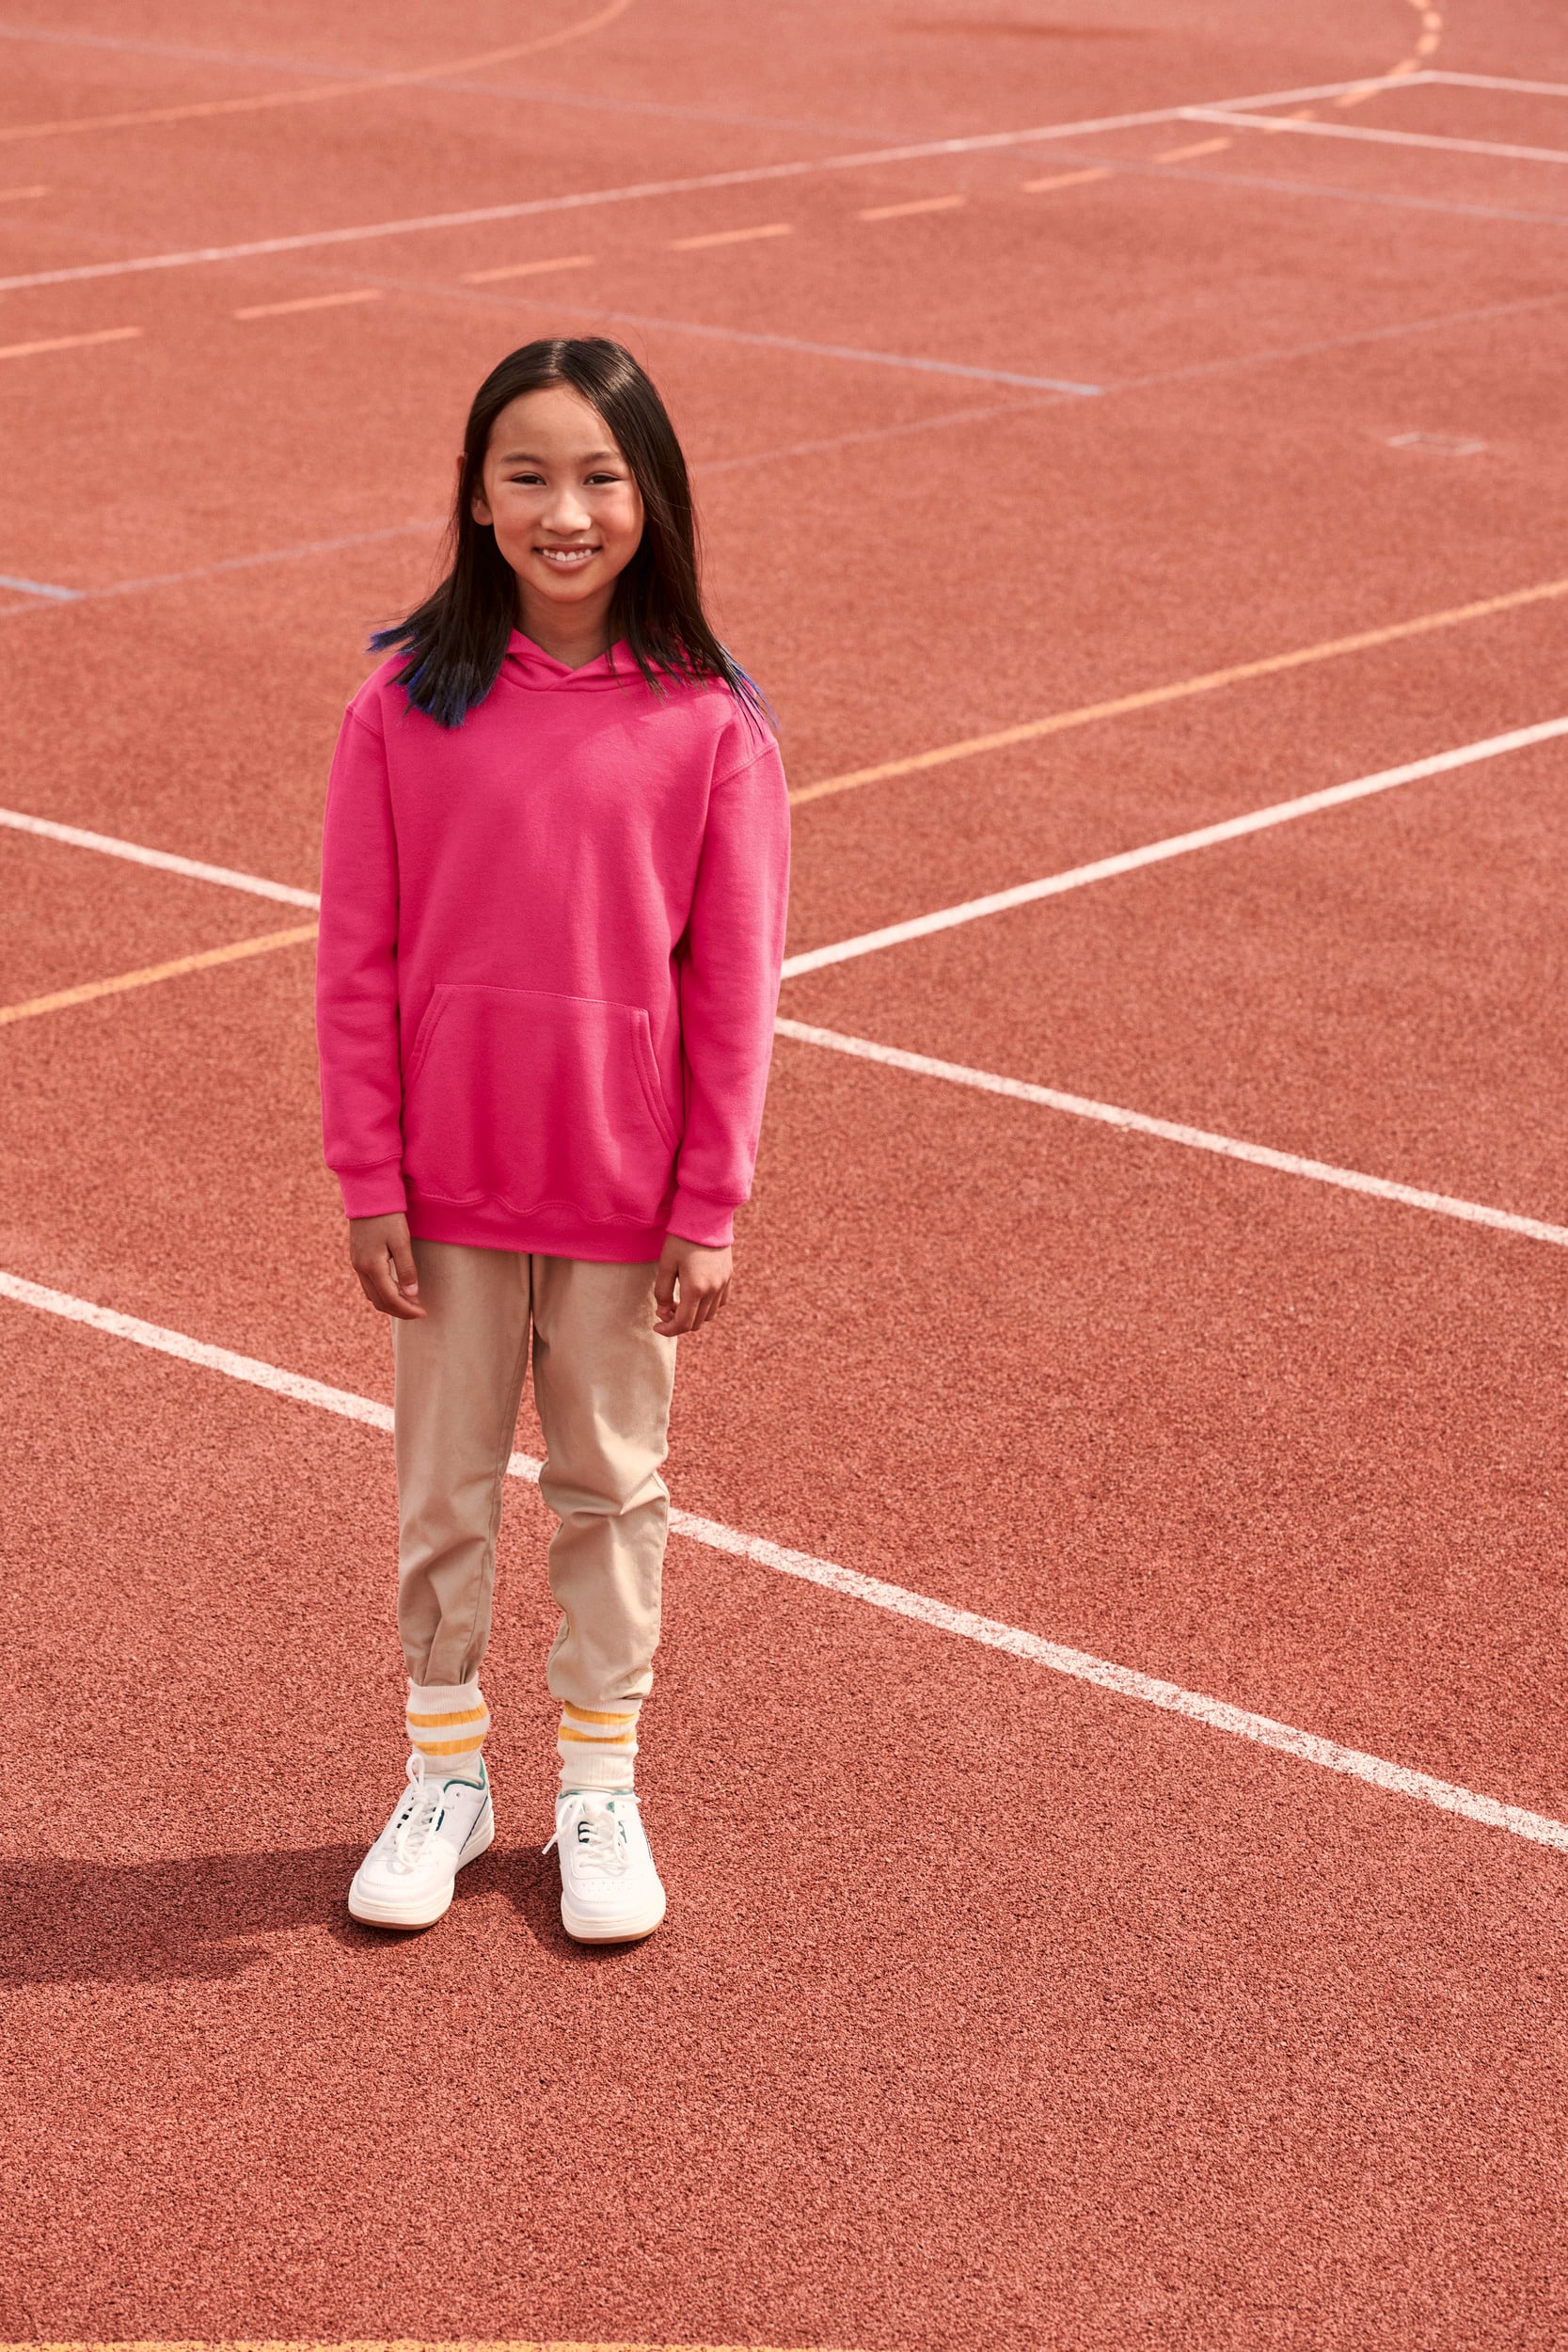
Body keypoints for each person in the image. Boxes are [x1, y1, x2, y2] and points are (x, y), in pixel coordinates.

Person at [315, 337, 789, 1942]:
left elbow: (733, 986)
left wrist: (708, 1199)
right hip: (444, 1193)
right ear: (475, 495)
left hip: (620, 1189)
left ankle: (600, 1785)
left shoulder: (711, 722)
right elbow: (356, 956)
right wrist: (367, 1171)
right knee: (441, 1491)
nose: (565, 511)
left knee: (609, 1491)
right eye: (528, 474)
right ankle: (447, 1778)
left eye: (600, 475)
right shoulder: (400, 702)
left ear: (652, 498)